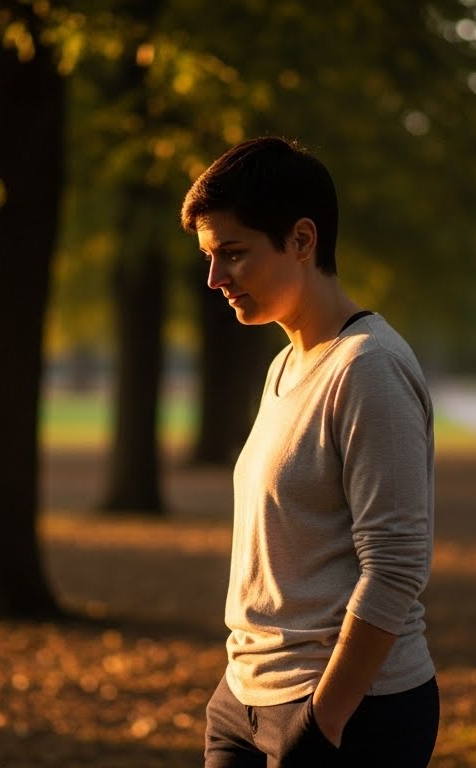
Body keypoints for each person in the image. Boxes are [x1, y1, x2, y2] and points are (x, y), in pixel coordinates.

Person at [181, 136, 438, 767]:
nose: (215, 279)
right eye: (210, 258)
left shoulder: (368, 367)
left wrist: (322, 723)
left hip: (351, 713)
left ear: (302, 239)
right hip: (244, 697)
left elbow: (397, 565)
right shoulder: (284, 367)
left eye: (232, 254)